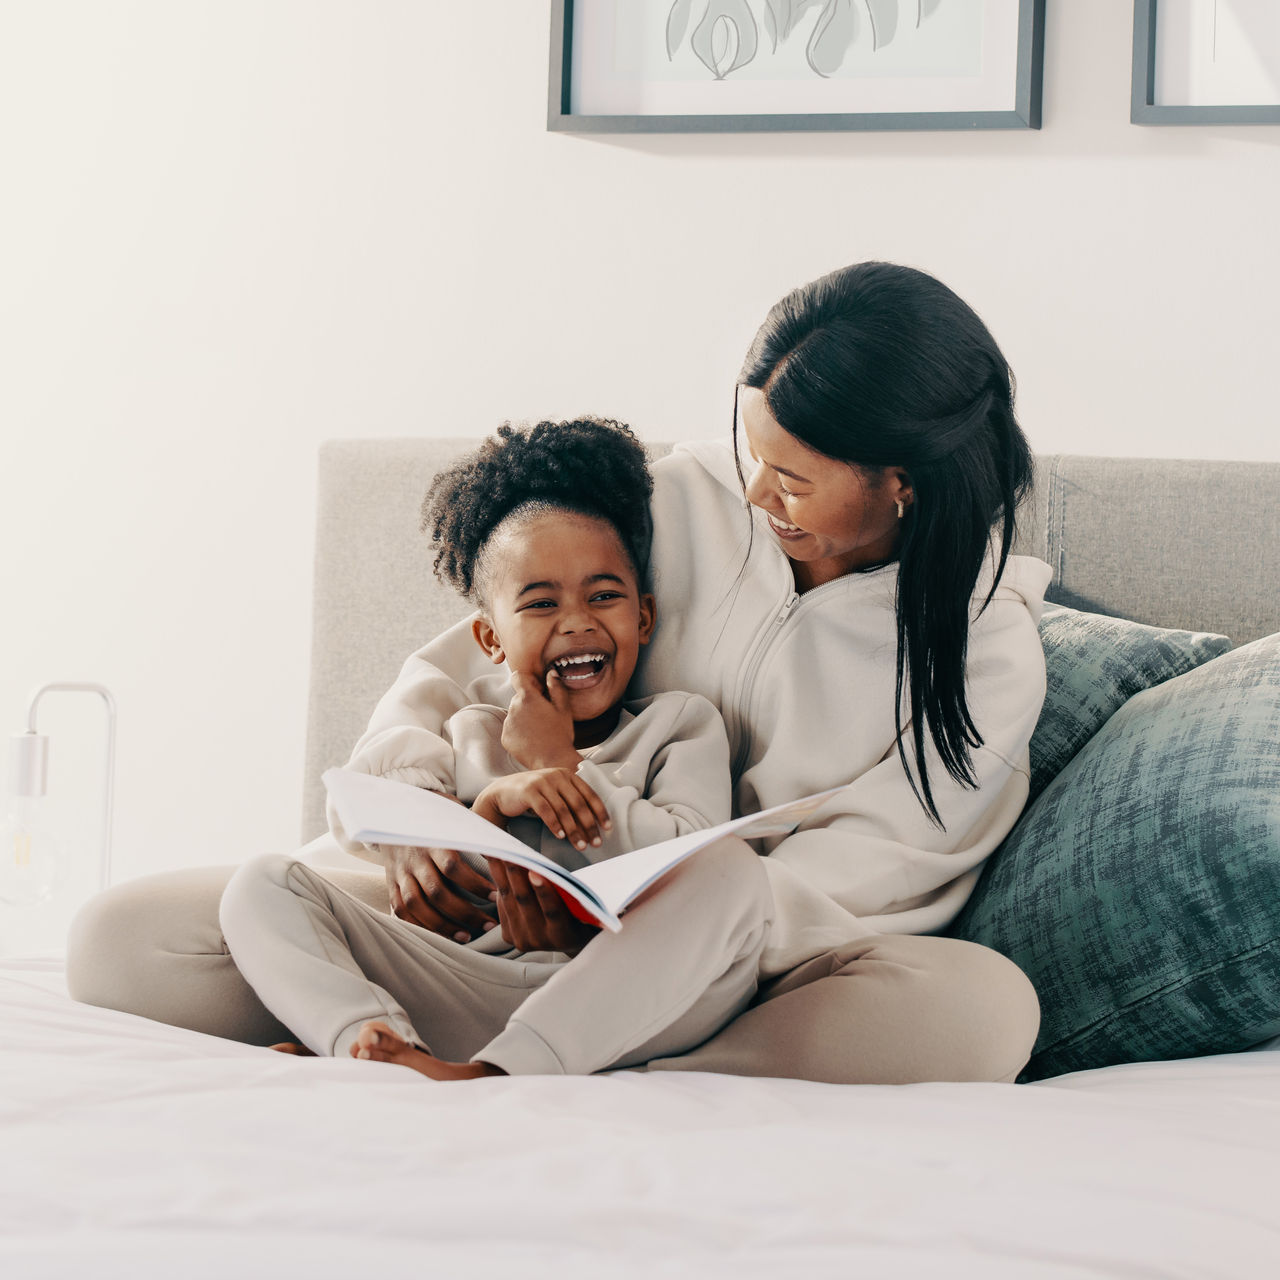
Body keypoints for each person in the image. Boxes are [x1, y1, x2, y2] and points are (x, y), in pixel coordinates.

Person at [68, 261, 1049, 1084]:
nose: (754, 492)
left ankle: (553, 1061)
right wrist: (412, 826)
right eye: (752, 451)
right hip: (487, 921)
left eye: (790, 477)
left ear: (903, 480)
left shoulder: (984, 655)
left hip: (714, 965)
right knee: (122, 939)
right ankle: (451, 1042)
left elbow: (868, 883)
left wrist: (609, 904)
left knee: (984, 1013)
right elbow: (455, 672)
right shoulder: (667, 501)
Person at [216, 417, 771, 1079]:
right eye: (540, 604)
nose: (577, 621)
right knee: (260, 884)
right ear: (490, 640)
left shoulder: (680, 726)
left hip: (620, 999)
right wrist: (492, 807)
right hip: (471, 981)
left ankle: (494, 1073)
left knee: (731, 870)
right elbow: (454, 886)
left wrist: (555, 769)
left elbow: (680, 859)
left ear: (643, 617)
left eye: (604, 596)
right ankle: (376, 1047)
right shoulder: (470, 730)